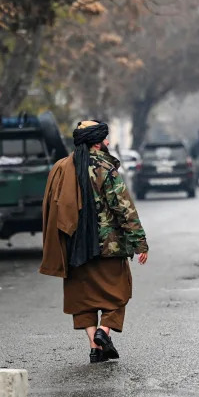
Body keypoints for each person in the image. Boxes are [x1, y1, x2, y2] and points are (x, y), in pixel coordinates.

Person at [40, 120, 149, 363]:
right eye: (105, 138)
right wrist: (139, 242)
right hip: (108, 248)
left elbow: (51, 208)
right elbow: (124, 208)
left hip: (74, 247)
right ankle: (103, 332)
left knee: (83, 299)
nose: (108, 142)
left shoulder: (60, 168)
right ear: (96, 142)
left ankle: (94, 347)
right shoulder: (105, 168)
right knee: (118, 294)